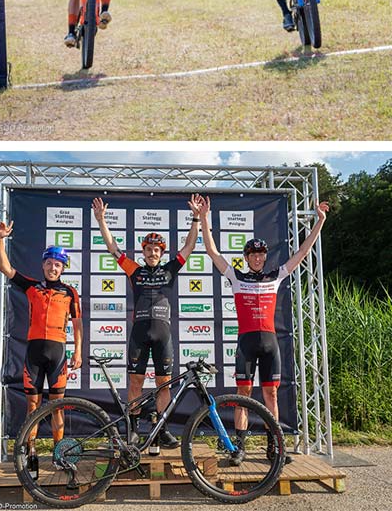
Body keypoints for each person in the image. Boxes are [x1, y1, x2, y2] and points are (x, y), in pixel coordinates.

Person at [197, 195, 329, 461]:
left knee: (271, 396)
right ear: (246, 258)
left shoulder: (275, 275)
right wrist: (203, 217)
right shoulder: (237, 276)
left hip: (270, 343)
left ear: (265, 256)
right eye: (253, 254)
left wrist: (319, 222)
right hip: (246, 343)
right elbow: (212, 252)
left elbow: (302, 253)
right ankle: (239, 449)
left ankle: (274, 447)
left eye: (261, 254)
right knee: (241, 395)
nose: (257, 258)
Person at [92, 196, 202, 449]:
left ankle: (161, 430)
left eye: (157, 250)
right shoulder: (134, 270)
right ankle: (133, 428)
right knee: (135, 383)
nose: (152, 253)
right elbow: (113, 248)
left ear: (161, 253)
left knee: (164, 384)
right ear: (143, 252)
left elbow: (189, 246)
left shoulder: (170, 270)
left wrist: (196, 218)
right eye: (148, 250)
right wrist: (101, 220)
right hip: (139, 333)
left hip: (163, 334)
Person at [0, 222, 83, 452]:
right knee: (33, 405)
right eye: (49, 263)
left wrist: (79, 352)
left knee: (57, 406)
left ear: (63, 268)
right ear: (43, 265)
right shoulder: (32, 287)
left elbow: (77, 324)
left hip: (58, 354)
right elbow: (5, 268)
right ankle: (31, 451)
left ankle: (59, 452)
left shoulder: (70, 292)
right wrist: (0, 239)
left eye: (57, 265)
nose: (53, 268)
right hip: (34, 352)